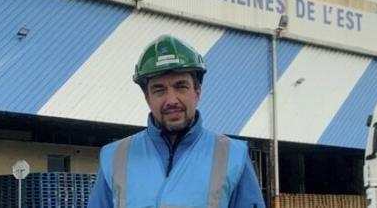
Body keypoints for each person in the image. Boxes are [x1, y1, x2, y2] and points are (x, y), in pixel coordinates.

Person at [88, 34, 266, 208]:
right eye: (159, 89)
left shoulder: (232, 155)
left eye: (181, 86)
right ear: (147, 98)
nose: (171, 100)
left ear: (197, 92)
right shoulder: (115, 157)